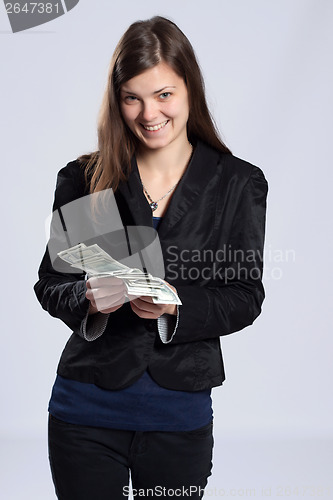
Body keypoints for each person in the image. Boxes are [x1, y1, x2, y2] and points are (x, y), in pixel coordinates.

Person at [34, 15, 268, 500]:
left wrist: (177, 307)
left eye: (164, 94)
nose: (148, 113)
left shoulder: (237, 184)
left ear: (190, 91)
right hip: (83, 414)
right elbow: (50, 283)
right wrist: (87, 297)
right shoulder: (85, 178)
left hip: (178, 417)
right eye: (132, 97)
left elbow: (245, 296)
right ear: (117, 101)